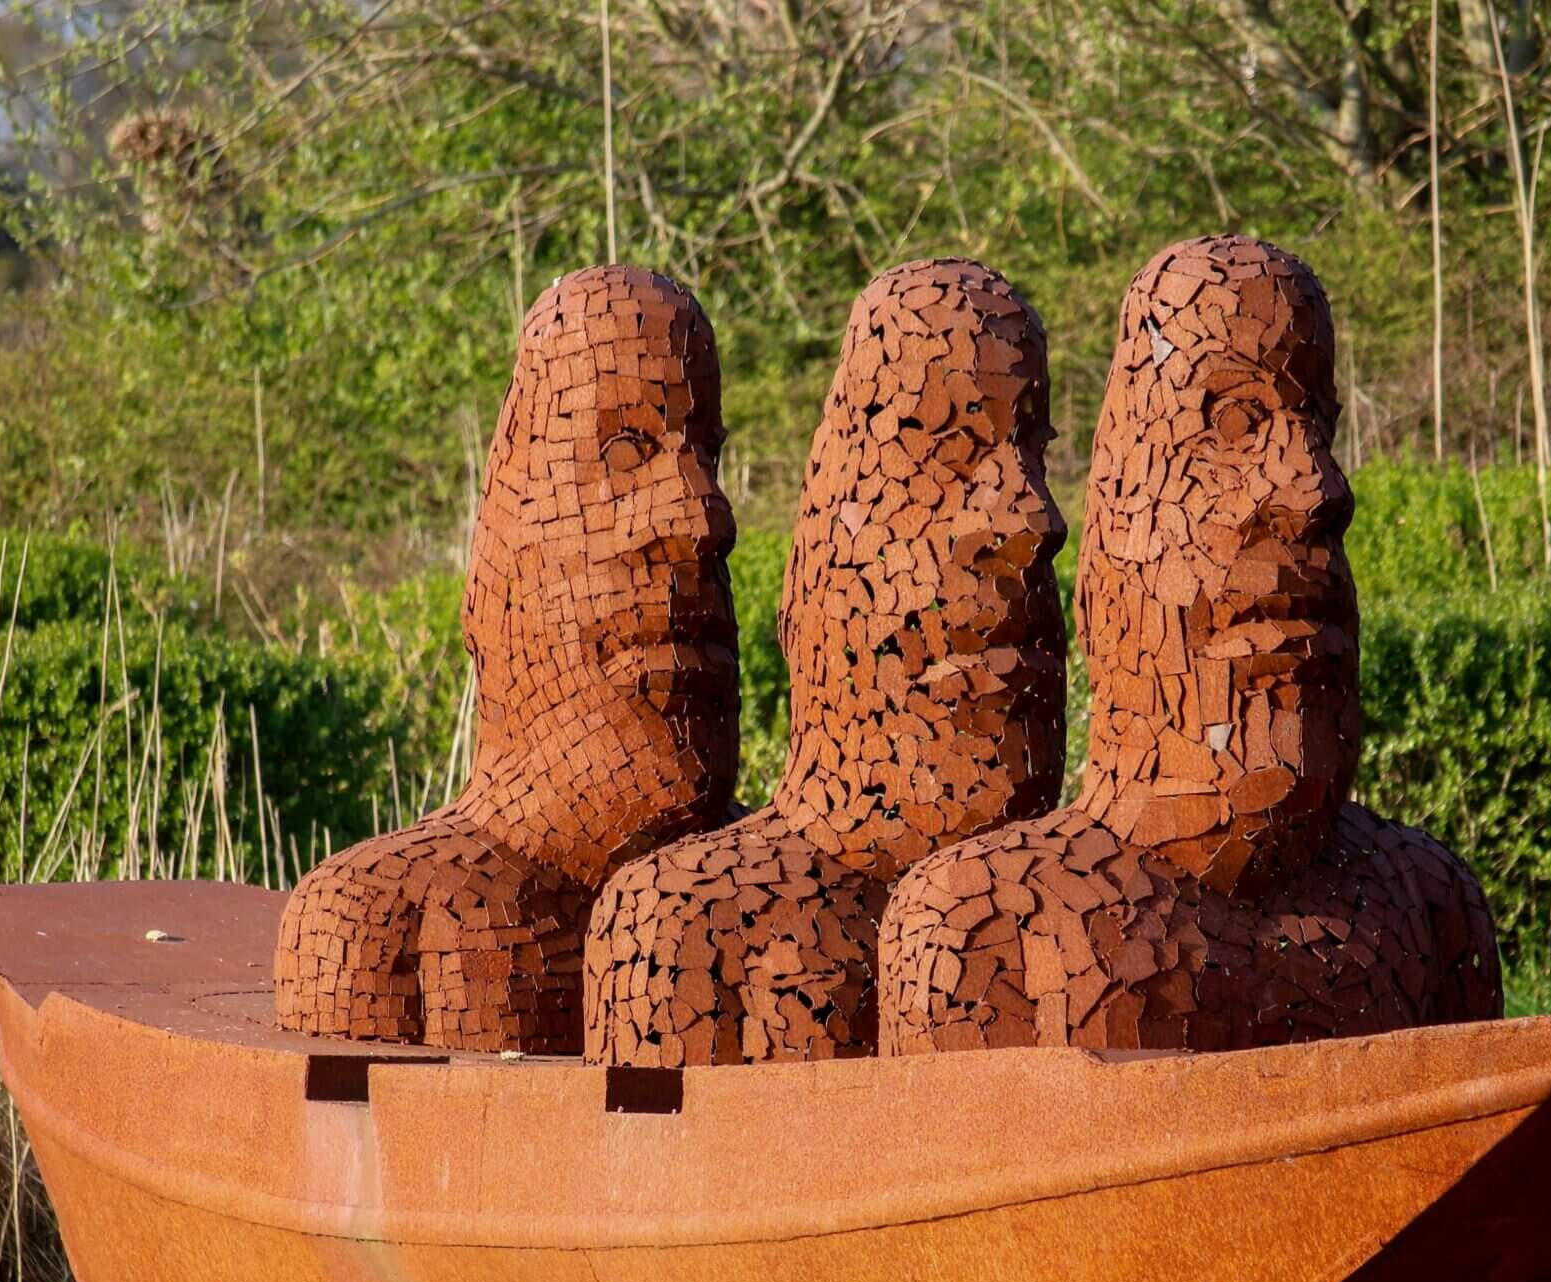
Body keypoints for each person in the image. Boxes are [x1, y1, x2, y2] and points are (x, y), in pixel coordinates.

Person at [877, 236, 1501, 1055]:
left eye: (1319, 423)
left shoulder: (1427, 907)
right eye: (1234, 420)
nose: (1318, 487)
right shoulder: (983, 926)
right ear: (1120, 521)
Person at [584, 259, 1067, 1065]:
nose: (1034, 517)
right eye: (948, 448)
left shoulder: (1081, 921)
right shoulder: (685, 927)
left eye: (1032, 451)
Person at [273, 265, 741, 1050]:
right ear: (509, 525)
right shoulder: (383, 922)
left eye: (707, 457)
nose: (704, 517)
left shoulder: (777, 911)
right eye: (626, 450)